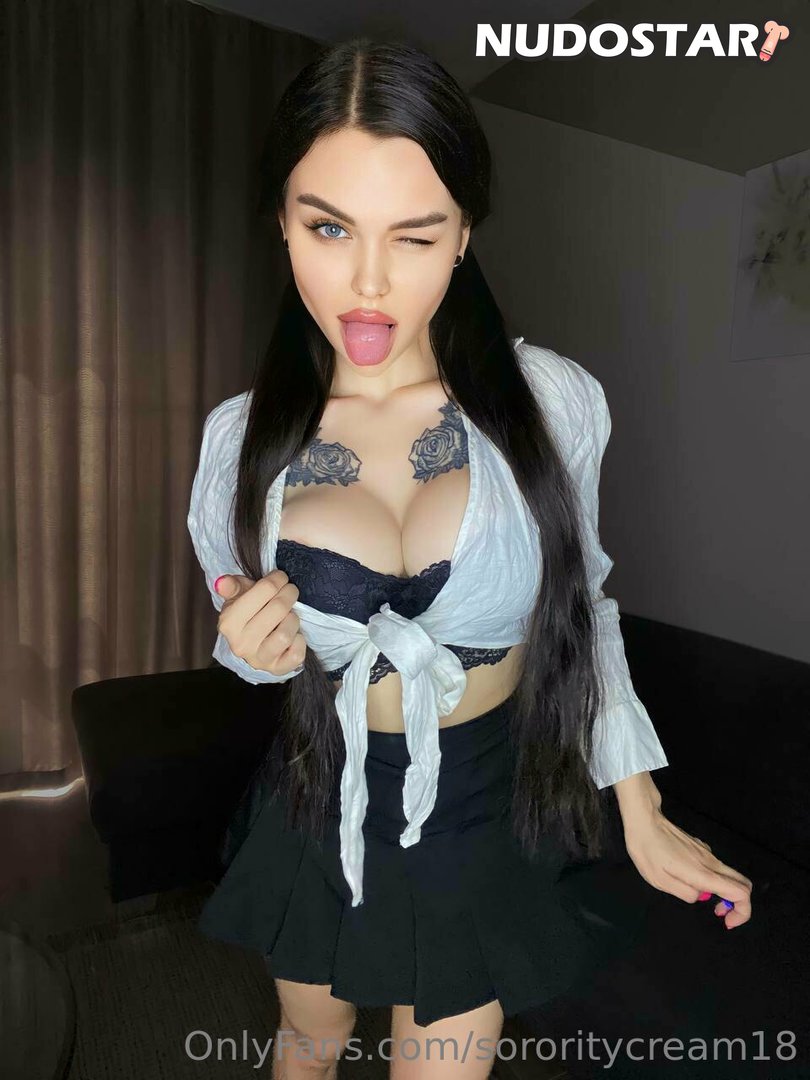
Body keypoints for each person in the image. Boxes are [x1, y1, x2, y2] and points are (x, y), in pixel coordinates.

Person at [186, 37, 753, 1080]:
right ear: (283, 222)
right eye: (328, 227)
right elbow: (247, 634)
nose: (366, 283)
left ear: (462, 238)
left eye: (414, 235)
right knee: (307, 1046)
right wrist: (252, 654)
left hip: (480, 805)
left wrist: (641, 807)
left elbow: (585, 606)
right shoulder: (241, 439)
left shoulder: (550, 404)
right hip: (321, 791)